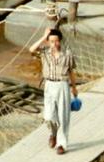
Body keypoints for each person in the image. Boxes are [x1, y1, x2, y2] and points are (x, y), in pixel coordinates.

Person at [29, 27, 78, 155]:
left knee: (63, 116)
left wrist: (74, 88)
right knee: (49, 115)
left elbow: (71, 72)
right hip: (49, 85)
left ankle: (62, 144)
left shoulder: (67, 54)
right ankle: (53, 133)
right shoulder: (44, 52)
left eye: (56, 41)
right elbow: (31, 49)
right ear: (48, 42)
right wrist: (43, 37)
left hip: (62, 85)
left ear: (60, 41)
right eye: (51, 41)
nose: (54, 44)